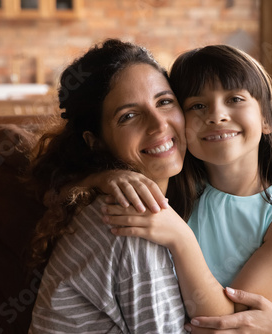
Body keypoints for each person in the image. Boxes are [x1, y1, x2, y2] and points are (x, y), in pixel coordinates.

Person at [98, 45, 272, 330]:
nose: (216, 115)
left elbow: (228, 325)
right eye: (198, 106)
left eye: (235, 98)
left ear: (266, 118)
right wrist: (105, 177)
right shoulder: (174, 185)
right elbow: (60, 181)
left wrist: (181, 239)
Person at [27, 39, 190, 333]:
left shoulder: (123, 201)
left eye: (164, 101)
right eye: (128, 116)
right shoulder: (131, 220)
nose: (158, 125)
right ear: (96, 142)